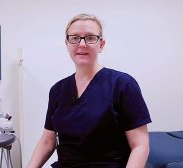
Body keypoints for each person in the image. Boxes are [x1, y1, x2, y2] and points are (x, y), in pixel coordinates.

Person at [27, 13, 152, 168]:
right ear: (67, 44)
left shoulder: (123, 84)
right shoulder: (58, 90)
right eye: (74, 38)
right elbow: (47, 141)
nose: (82, 44)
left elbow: (140, 145)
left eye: (90, 38)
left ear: (101, 44)